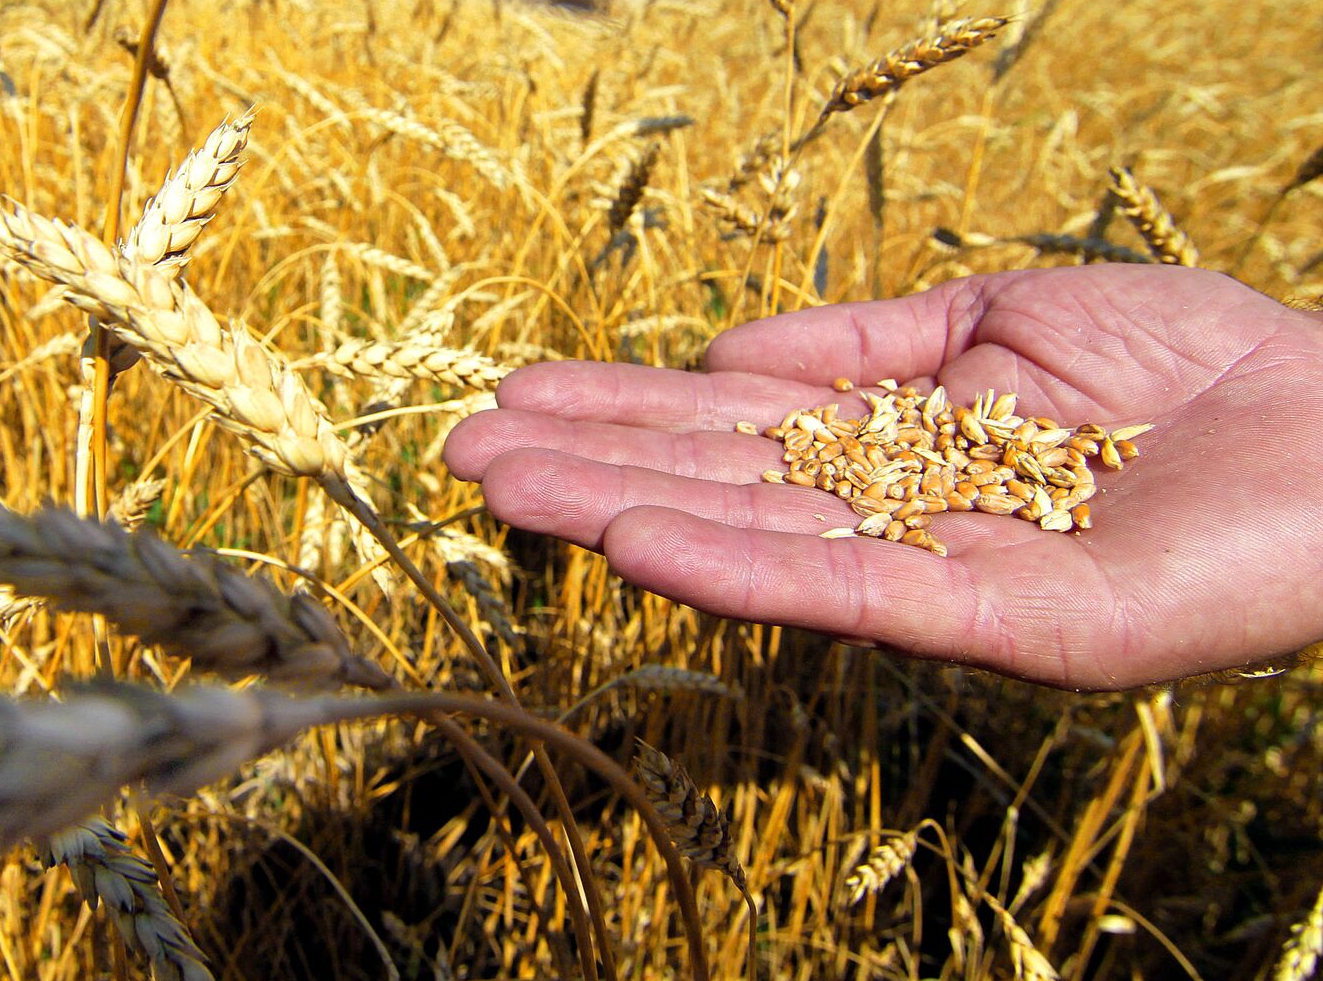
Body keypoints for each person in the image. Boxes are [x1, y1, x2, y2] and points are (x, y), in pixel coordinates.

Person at [444, 263, 1323, 691]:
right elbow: (920, 466)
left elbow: (938, 467)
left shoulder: (967, 454)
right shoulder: (907, 452)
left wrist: (1286, 392)